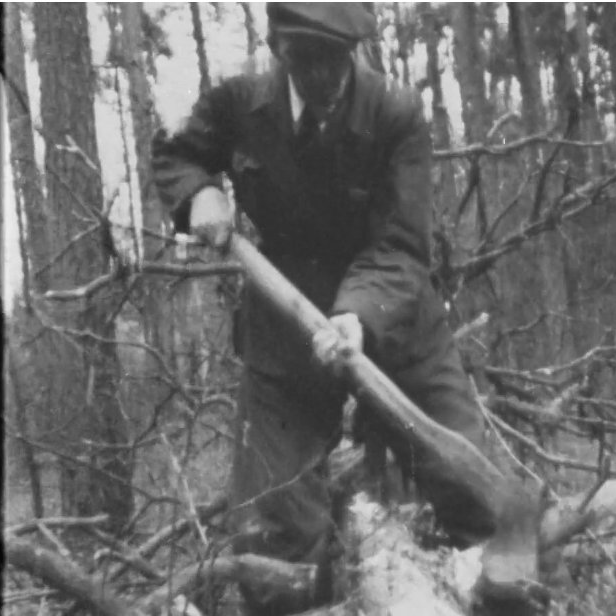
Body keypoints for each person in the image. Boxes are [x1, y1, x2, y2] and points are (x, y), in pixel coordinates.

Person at [151, 3, 497, 613]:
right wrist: (198, 192)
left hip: (392, 311)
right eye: (307, 60)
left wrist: (356, 316)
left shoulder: (396, 113)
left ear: (355, 48)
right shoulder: (239, 105)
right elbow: (175, 153)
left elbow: (400, 243)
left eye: (336, 58)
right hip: (284, 328)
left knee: (480, 499)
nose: (325, 77)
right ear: (280, 49)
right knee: (272, 537)